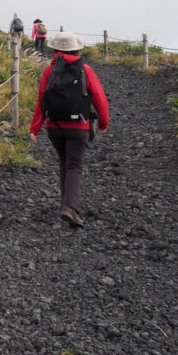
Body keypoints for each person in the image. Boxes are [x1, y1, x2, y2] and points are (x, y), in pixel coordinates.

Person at [29, 31, 109, 228]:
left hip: (54, 127)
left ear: (56, 49)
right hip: (78, 127)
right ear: (77, 49)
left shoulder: (49, 71)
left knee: (65, 163)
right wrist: (103, 122)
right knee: (75, 165)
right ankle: (70, 208)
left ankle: (66, 204)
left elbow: (42, 99)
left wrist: (35, 128)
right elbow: (99, 97)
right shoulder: (86, 70)